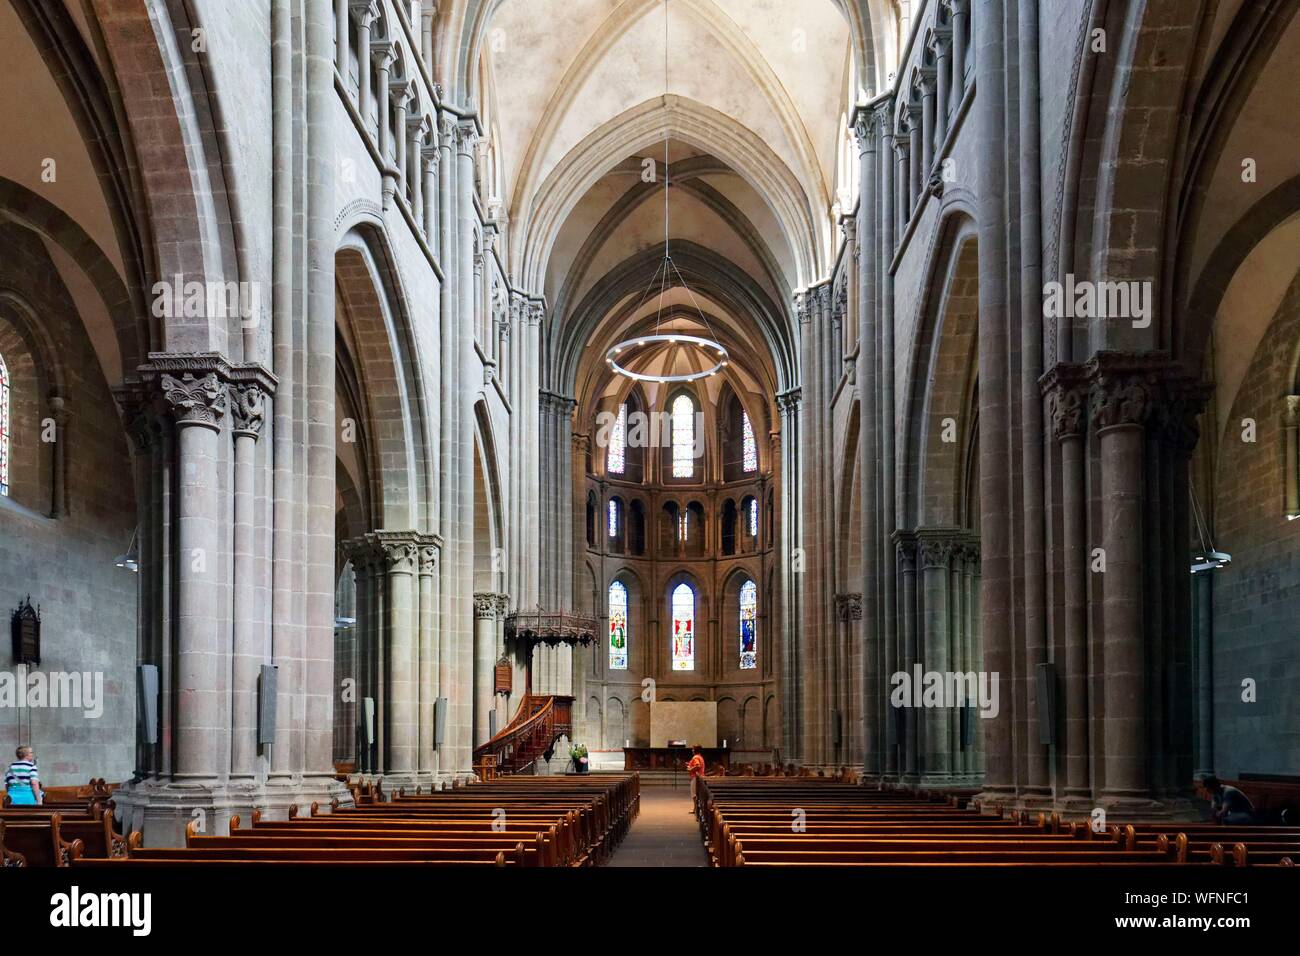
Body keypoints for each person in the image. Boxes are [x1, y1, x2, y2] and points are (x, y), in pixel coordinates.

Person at [685, 745, 706, 813]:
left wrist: (690, 769)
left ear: (695, 750)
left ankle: (695, 809)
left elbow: (698, 766)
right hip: (700, 777)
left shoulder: (695, 757)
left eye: (693, 749)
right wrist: (690, 764)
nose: (692, 750)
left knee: (694, 794)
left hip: (696, 778)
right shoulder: (700, 757)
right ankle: (696, 809)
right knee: (697, 794)